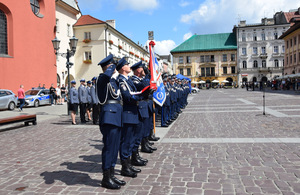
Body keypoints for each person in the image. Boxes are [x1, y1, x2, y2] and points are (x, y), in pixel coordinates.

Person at [97, 54, 125, 189]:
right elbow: (105, 76)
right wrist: (112, 66)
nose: (114, 67)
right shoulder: (102, 79)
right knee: (109, 148)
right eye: (112, 64)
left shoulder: (114, 81)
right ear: (107, 66)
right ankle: (106, 178)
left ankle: (112, 174)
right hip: (109, 117)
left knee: (114, 148)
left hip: (117, 116)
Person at [117, 57, 141, 178]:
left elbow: (135, 90)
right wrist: (139, 96)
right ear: (122, 68)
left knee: (131, 140)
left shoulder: (128, 79)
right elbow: (127, 96)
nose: (129, 66)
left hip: (132, 113)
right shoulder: (121, 80)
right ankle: (124, 167)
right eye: (127, 64)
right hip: (127, 113)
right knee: (126, 141)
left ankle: (129, 164)